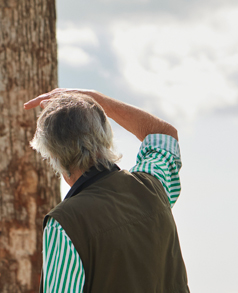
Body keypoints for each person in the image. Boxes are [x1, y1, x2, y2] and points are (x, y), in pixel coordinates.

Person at [24, 88, 190, 293]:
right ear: (106, 136)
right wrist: (99, 101)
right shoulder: (152, 186)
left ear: (52, 156)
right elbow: (163, 136)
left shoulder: (65, 223)